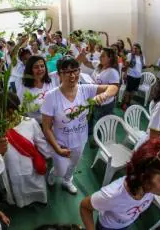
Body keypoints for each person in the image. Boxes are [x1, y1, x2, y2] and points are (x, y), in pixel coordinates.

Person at [80, 137, 160, 230]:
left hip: (125, 224)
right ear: (144, 177)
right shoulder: (114, 194)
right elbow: (85, 207)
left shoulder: (151, 180)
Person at [41, 56, 118, 194]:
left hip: (80, 140)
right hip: (60, 142)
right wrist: (57, 148)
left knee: (73, 165)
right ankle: (55, 173)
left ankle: (67, 180)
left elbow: (113, 87)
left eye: (75, 70)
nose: (72, 75)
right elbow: (46, 127)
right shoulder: (51, 97)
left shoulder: (85, 89)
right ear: (59, 74)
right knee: (60, 168)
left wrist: (104, 95)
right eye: (67, 72)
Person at [0, 92, 54, 207]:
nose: (10, 116)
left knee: (36, 187)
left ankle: (40, 200)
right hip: (12, 171)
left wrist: (50, 155)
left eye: (12, 111)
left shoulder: (30, 122)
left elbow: (41, 143)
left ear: (16, 109)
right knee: (18, 188)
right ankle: (21, 203)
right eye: (4, 113)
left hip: (32, 169)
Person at [16, 56, 58, 124]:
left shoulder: (51, 80)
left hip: (56, 123)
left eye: (42, 66)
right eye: (36, 67)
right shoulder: (24, 88)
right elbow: (20, 109)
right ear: (30, 69)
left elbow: (67, 71)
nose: (40, 69)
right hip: (38, 127)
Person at [121, 43, 146, 111]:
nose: (134, 50)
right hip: (130, 75)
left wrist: (150, 66)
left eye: (136, 48)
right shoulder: (130, 55)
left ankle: (129, 102)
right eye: (134, 48)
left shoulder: (142, 57)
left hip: (138, 76)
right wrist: (125, 73)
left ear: (139, 49)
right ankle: (125, 104)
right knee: (128, 90)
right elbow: (126, 65)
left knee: (133, 91)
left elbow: (143, 66)